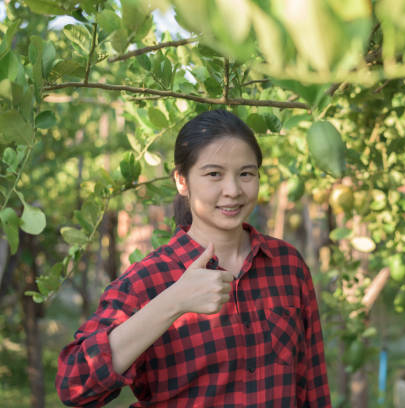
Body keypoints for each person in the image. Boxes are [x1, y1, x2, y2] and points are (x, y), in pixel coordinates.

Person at [56, 109, 332, 407]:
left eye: (246, 174)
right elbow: (75, 385)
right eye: (214, 174)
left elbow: (312, 386)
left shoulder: (287, 265)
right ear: (182, 181)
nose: (233, 190)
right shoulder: (148, 280)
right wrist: (174, 301)